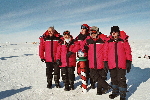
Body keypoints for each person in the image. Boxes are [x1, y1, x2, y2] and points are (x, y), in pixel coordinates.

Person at [104, 26, 132, 100]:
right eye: (112, 32)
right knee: (113, 78)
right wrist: (105, 61)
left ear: (118, 32)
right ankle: (115, 92)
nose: (114, 33)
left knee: (121, 79)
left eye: (115, 32)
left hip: (121, 64)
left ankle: (123, 94)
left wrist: (129, 61)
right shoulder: (108, 41)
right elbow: (105, 52)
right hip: (112, 64)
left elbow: (128, 52)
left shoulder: (123, 41)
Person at [84, 26, 111, 95]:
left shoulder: (102, 39)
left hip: (100, 61)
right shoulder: (88, 40)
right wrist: (84, 48)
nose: (93, 34)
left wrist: (106, 61)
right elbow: (81, 45)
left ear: (97, 32)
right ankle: (106, 86)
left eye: (94, 32)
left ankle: (99, 91)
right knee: (93, 75)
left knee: (101, 77)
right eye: (91, 32)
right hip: (92, 62)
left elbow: (108, 45)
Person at [70, 24, 95, 89]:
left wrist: (88, 47)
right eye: (82, 28)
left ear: (87, 29)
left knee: (90, 70)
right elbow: (76, 45)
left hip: (89, 55)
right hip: (81, 56)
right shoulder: (79, 37)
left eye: (84, 28)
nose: (82, 30)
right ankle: (85, 81)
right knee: (81, 70)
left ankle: (92, 83)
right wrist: (72, 51)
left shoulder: (89, 36)